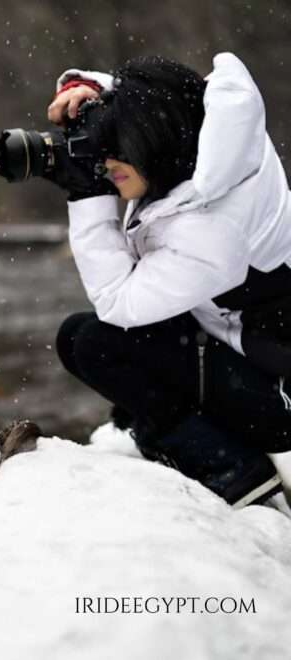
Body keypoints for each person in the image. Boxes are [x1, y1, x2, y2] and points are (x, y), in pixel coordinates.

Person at [45, 53, 291, 508]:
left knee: (97, 343)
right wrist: (90, 91)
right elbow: (166, 98)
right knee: (81, 335)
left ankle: (232, 467)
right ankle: (178, 428)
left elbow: (117, 303)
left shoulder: (213, 228)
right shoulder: (211, 151)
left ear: (157, 145)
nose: (106, 160)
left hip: (278, 400)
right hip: (250, 352)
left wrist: (88, 196)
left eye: (118, 147)